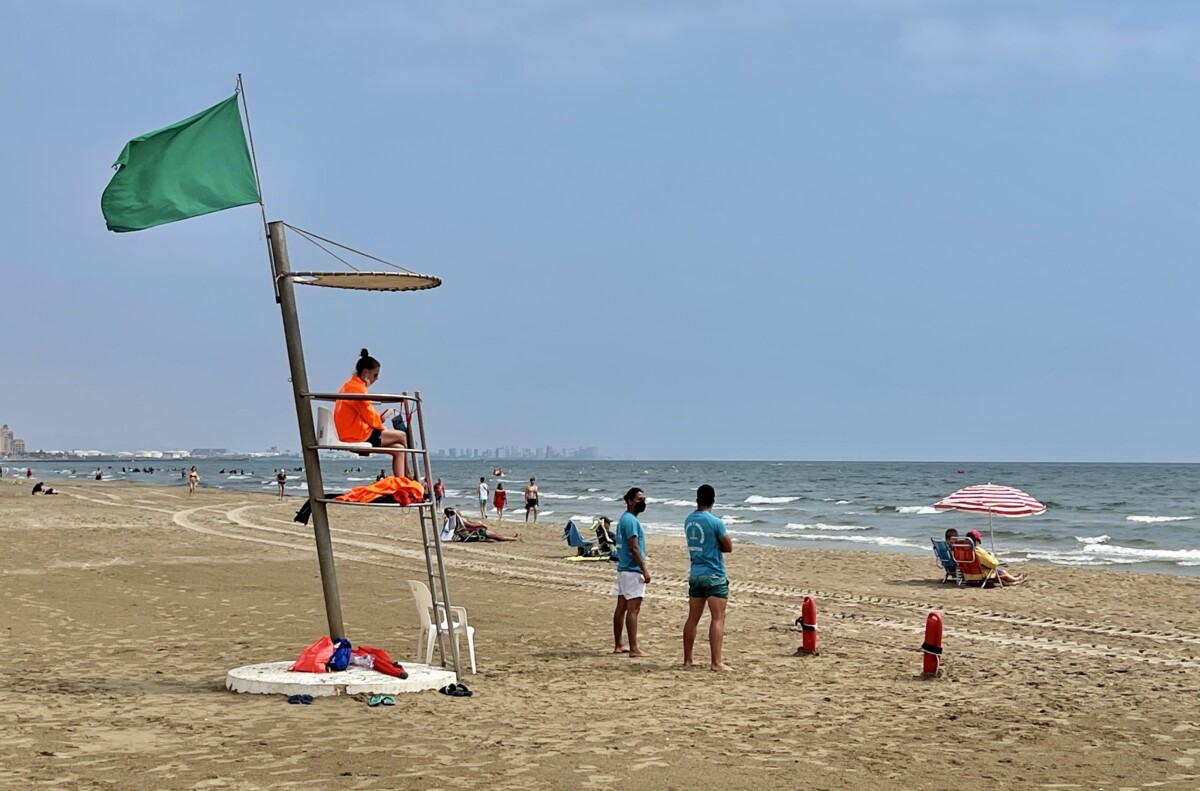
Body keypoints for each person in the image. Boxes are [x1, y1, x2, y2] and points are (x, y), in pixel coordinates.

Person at [334, 348, 408, 479]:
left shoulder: (349, 385)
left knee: (398, 449)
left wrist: (379, 419)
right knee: (402, 435)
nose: (377, 379)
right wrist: (381, 423)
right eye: (375, 375)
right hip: (357, 434)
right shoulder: (358, 389)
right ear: (366, 373)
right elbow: (370, 417)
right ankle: (409, 475)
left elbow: (365, 414)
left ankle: (401, 481)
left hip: (350, 431)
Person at [682, 484, 733, 671]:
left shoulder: (689, 520)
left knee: (692, 618)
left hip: (696, 572)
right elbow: (728, 546)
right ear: (713, 500)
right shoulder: (715, 522)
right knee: (718, 618)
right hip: (714, 573)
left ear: (697, 499)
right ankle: (716, 662)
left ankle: (687, 660)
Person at [612, 487, 650, 658]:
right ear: (629, 501)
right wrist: (645, 570)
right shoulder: (631, 521)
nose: (642, 502)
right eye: (639, 499)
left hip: (623, 569)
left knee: (621, 607)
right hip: (632, 570)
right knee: (633, 609)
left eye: (643, 499)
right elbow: (634, 548)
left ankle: (619, 644)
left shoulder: (624, 519)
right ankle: (634, 648)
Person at [442, 507, 521, 543]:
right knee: (496, 536)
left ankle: (512, 538)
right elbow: (471, 526)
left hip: (466, 535)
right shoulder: (460, 520)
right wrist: (481, 526)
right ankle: (514, 539)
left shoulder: (453, 521)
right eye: (457, 510)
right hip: (471, 534)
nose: (459, 510)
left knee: (495, 535)